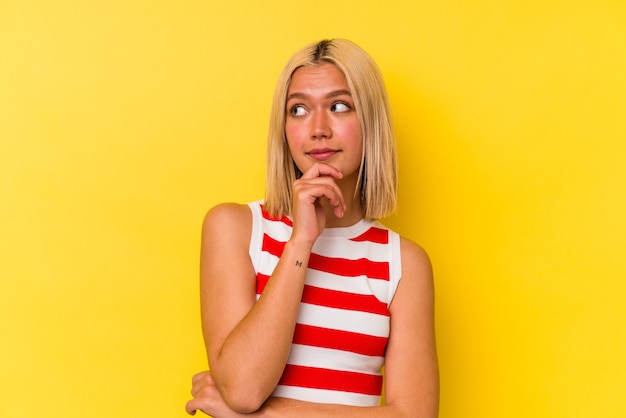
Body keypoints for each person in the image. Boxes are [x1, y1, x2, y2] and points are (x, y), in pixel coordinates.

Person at [185, 38, 439, 417]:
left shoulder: (403, 263)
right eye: (299, 109)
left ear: (370, 121)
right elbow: (242, 388)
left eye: (339, 106)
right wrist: (301, 241)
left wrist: (271, 414)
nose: (318, 129)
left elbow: (414, 416)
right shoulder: (236, 228)